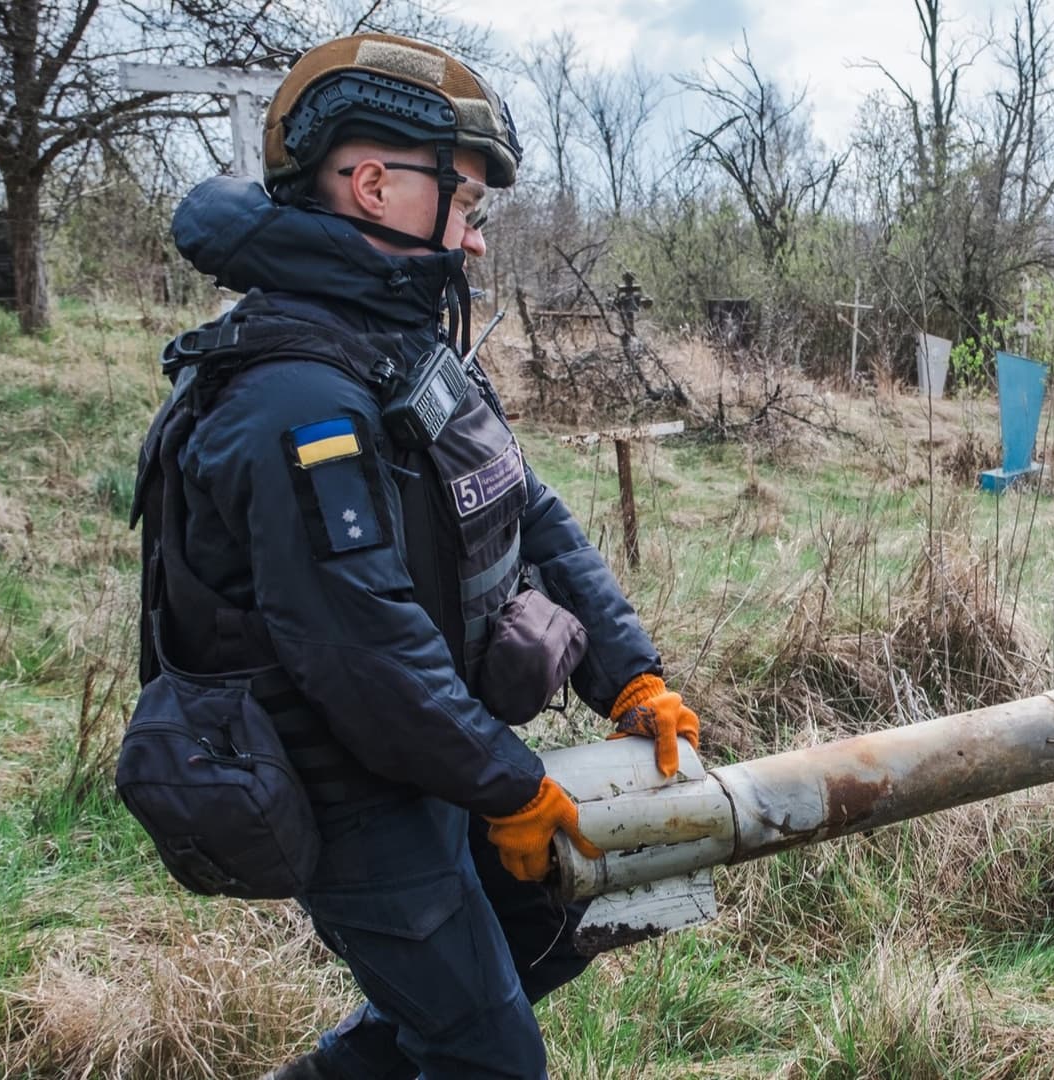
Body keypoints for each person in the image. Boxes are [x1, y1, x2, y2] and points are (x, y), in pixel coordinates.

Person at [131, 33, 700, 1079]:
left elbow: (530, 513)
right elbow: (362, 650)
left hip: (431, 748)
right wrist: (508, 786)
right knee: (491, 1058)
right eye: (468, 206)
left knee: (537, 948)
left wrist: (635, 676)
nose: (476, 242)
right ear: (375, 183)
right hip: (340, 782)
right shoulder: (294, 392)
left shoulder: (404, 346)